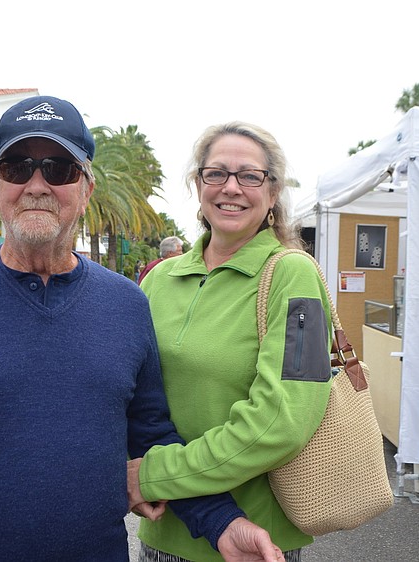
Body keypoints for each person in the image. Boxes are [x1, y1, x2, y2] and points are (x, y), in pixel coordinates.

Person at [0, 97, 282, 561]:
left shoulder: (126, 305)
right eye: (17, 167)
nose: (36, 185)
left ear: (86, 187)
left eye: (59, 169)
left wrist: (222, 523)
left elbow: (152, 434)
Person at [129, 122, 335, 561]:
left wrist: (156, 474)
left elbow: (282, 422)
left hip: (253, 539)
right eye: (216, 173)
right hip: (164, 531)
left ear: (273, 192)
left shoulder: (296, 279)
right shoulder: (159, 281)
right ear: (198, 184)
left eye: (250, 175)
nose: (231, 188)